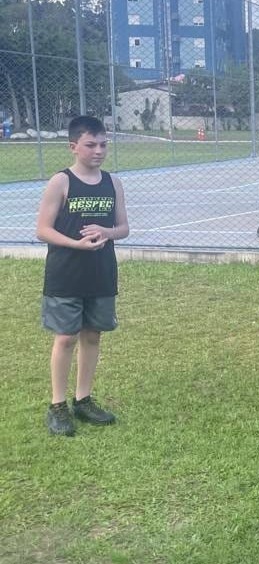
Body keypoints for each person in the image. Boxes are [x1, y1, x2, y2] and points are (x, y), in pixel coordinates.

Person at [36, 115, 130, 437]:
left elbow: (124, 228)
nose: (99, 151)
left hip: (101, 272)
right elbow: (42, 230)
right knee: (66, 337)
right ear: (73, 147)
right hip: (66, 274)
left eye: (103, 144)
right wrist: (75, 243)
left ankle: (83, 399)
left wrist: (107, 230)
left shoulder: (113, 182)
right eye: (91, 145)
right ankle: (58, 405)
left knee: (92, 335)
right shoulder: (61, 182)